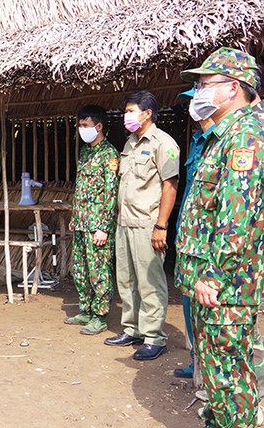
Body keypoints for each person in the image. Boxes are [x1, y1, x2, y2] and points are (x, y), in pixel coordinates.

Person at [177, 47, 264, 427]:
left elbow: (239, 216)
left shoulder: (246, 136)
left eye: (205, 84)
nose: (199, 92)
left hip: (225, 286)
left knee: (230, 376)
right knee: (217, 373)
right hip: (213, 283)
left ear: (232, 88)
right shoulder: (222, 135)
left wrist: (214, 274)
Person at [104, 90, 179, 361]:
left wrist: (161, 226)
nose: (127, 116)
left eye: (131, 110)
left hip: (147, 223)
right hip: (125, 222)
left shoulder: (163, 143)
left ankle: (154, 337)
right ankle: (132, 329)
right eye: (126, 111)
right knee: (126, 280)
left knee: (150, 281)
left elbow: (170, 185)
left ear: (147, 114)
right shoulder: (130, 144)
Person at [171, 88, 216, 379]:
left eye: (197, 98)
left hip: (211, 243)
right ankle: (196, 361)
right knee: (189, 304)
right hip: (189, 239)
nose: (192, 106)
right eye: (190, 101)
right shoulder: (198, 141)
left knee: (212, 310)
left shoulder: (229, 142)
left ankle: (213, 369)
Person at [65, 105, 119, 335]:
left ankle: (100, 315)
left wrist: (104, 228)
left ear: (98, 126)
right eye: (79, 125)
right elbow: (81, 188)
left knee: (99, 271)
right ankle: (86, 309)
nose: (81, 129)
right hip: (81, 222)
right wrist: (74, 217)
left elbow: (111, 193)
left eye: (85, 125)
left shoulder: (110, 155)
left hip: (97, 225)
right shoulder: (86, 152)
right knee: (80, 269)